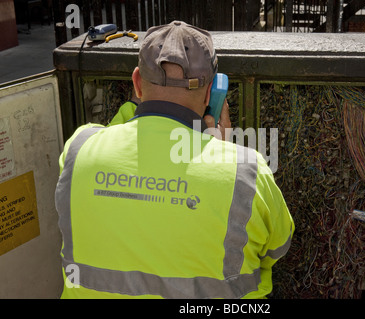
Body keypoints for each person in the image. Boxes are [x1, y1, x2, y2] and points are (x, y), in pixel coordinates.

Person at [55, 20, 294, 299]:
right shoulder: (246, 170)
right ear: (210, 94)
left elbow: (121, 142)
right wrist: (219, 154)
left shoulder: (79, 148)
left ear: (136, 83)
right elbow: (278, 247)